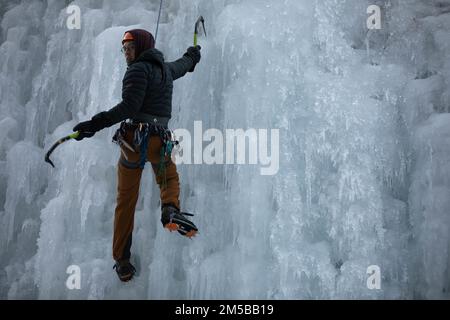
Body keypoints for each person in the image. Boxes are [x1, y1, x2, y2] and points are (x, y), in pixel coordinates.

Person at [72, 29, 201, 282]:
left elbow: (128, 107)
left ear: (142, 47)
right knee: (168, 179)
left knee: (126, 200)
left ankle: (122, 260)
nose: (126, 53)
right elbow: (183, 66)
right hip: (159, 140)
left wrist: (94, 124)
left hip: (135, 140)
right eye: (124, 48)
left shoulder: (137, 70)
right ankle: (170, 208)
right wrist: (193, 55)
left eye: (130, 47)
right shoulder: (166, 70)